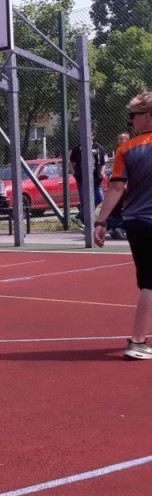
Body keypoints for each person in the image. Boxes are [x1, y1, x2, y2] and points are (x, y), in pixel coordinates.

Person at [93, 93, 152, 360]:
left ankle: (138, 340)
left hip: (136, 222)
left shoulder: (127, 149)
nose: (130, 121)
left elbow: (116, 188)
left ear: (147, 116)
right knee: (150, 283)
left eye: (133, 116)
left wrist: (101, 220)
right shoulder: (125, 148)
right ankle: (138, 341)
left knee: (148, 281)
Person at [70, 130, 107, 226]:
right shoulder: (77, 148)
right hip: (82, 179)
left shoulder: (98, 148)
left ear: (93, 136)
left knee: (99, 197)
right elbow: (71, 163)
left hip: (96, 178)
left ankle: (79, 216)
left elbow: (103, 163)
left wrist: (102, 173)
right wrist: (74, 173)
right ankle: (87, 224)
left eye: (89, 135)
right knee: (84, 200)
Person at [107, 133, 130, 240]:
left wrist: (126, 183)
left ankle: (118, 227)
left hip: (126, 184)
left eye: (122, 138)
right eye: (118, 139)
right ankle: (115, 227)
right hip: (119, 184)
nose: (119, 140)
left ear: (127, 140)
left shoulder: (129, 151)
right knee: (115, 206)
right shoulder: (119, 151)